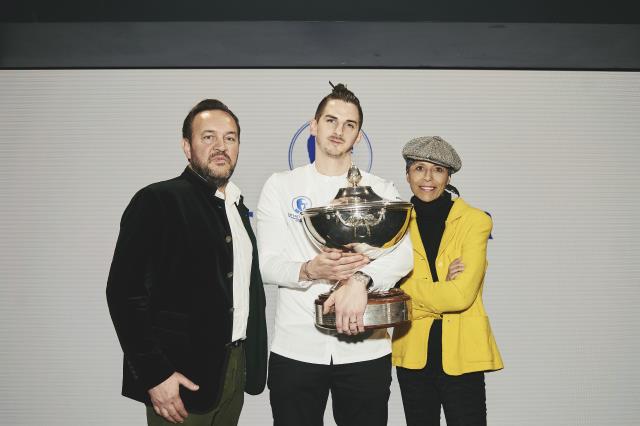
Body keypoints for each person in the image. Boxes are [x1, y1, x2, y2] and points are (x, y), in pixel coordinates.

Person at [256, 83, 413, 426]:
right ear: (313, 126)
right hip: (296, 348)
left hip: (366, 347)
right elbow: (267, 264)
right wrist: (311, 269)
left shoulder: (381, 190)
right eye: (330, 120)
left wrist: (360, 281)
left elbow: (403, 256)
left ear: (359, 136)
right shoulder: (281, 186)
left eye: (349, 124)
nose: (338, 131)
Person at [106, 99, 268, 425]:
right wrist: (155, 375)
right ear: (187, 146)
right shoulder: (157, 200)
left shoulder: (236, 208)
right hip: (179, 380)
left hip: (233, 370)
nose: (221, 146)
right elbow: (124, 294)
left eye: (230, 138)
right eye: (208, 137)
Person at [392, 136, 503, 426]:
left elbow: (460, 296)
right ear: (407, 174)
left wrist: (406, 291)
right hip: (413, 353)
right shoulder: (394, 223)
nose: (427, 178)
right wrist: (440, 289)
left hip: (462, 354)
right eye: (419, 168)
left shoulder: (475, 221)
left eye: (438, 170)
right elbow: (385, 289)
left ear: (448, 176)